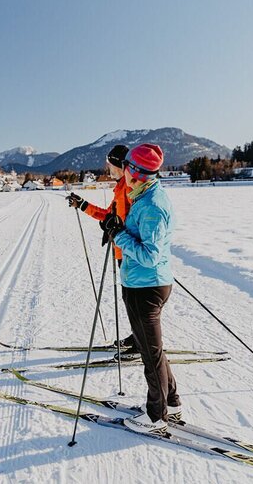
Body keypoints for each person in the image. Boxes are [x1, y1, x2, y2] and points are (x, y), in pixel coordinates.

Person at [101, 143, 181, 435]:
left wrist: (118, 234)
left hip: (145, 287)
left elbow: (149, 254)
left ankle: (156, 416)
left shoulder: (151, 206)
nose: (125, 174)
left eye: (128, 170)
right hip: (142, 283)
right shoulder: (144, 196)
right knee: (154, 350)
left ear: (137, 173)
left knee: (151, 356)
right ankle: (170, 402)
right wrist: (116, 225)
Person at [66, 145, 140, 357]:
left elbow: (130, 220)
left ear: (120, 165)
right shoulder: (119, 188)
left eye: (110, 163)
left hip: (129, 250)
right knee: (129, 298)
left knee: (135, 300)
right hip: (121, 250)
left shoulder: (129, 188)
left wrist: (116, 225)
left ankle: (141, 344)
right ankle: (137, 336)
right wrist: (83, 205)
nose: (108, 167)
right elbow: (110, 214)